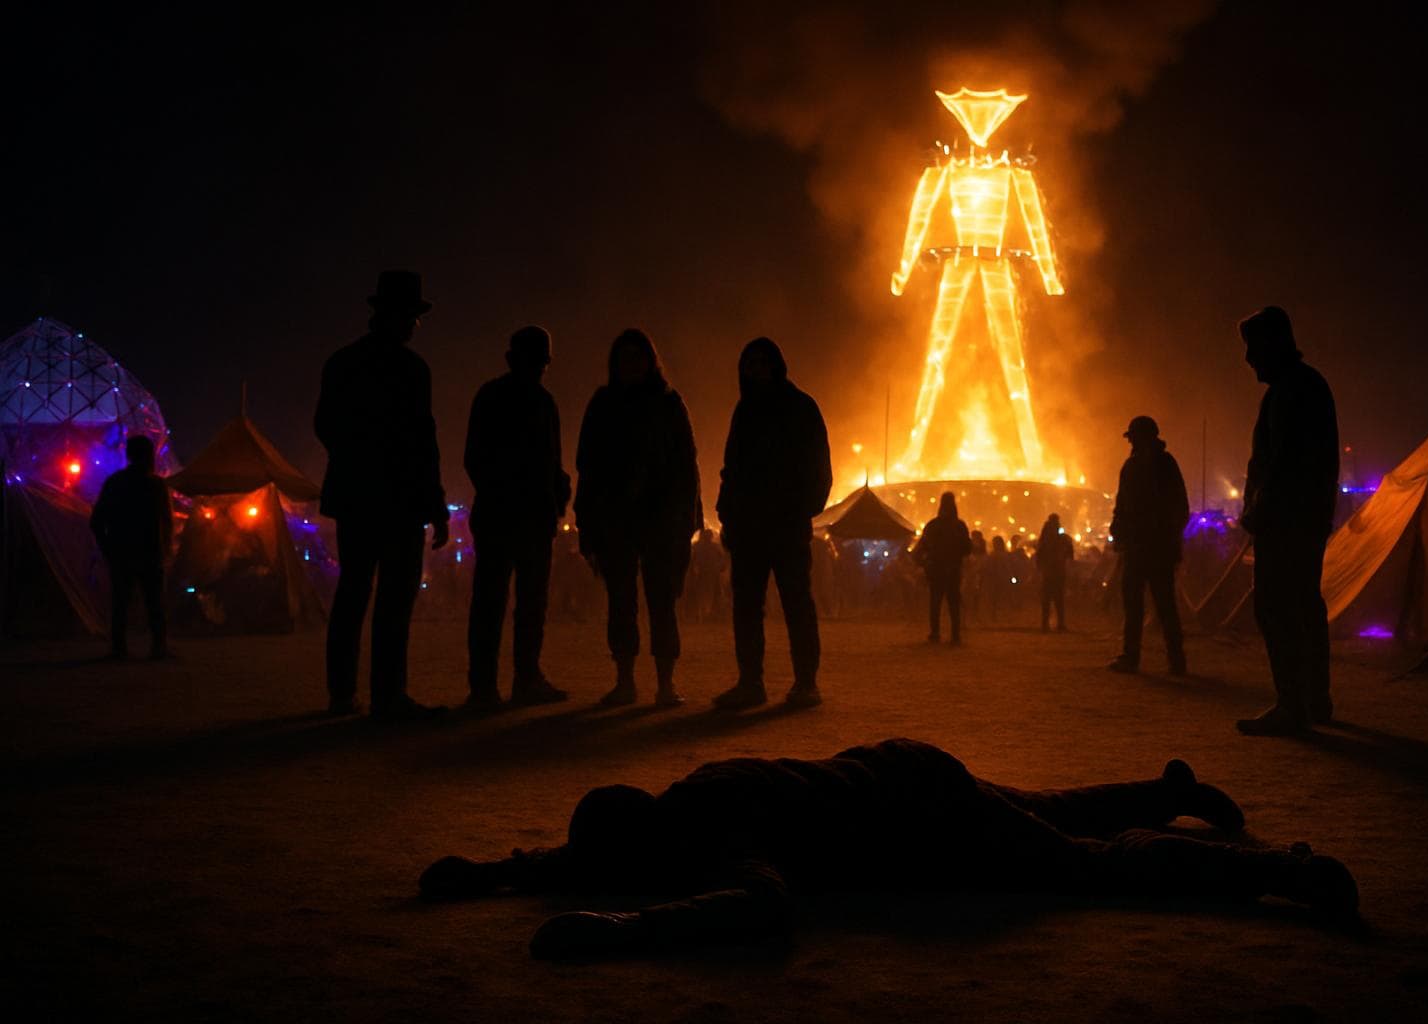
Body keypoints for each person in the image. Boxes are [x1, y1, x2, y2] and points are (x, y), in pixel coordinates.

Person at [417, 738, 1358, 959]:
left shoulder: (715, 835)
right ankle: (1170, 791)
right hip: (900, 768)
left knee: (1087, 863)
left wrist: (628, 930)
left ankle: (1279, 871)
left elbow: (763, 904)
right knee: (1050, 809)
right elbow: (593, 855)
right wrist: (498, 873)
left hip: (923, 821)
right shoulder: (693, 793)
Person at [314, 270, 450, 721]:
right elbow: (424, 442)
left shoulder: (343, 362)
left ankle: (342, 693)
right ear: (402, 316)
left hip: (357, 497)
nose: (415, 325)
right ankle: (388, 695)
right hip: (401, 501)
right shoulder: (413, 370)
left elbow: (325, 426)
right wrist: (434, 504)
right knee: (394, 600)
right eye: (412, 316)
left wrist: (357, 460)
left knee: (353, 593)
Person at [575, 329, 702, 708]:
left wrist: (686, 517)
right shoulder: (603, 405)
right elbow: (588, 466)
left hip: (661, 521)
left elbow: (686, 464)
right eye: (624, 357)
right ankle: (625, 681)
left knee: (662, 602)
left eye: (637, 357)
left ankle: (665, 684)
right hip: (616, 520)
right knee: (621, 602)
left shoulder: (668, 403)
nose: (631, 364)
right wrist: (588, 523)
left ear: (650, 361)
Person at [713, 337, 832, 710]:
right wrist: (727, 514)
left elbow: (819, 466)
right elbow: (732, 467)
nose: (757, 369)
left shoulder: (800, 407)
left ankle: (806, 683)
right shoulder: (745, 410)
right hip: (749, 527)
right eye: (751, 364)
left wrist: (803, 508)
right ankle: (750, 683)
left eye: (763, 362)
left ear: (776, 365)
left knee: (796, 604)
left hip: (786, 525)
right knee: (747, 608)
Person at [1236, 307, 1339, 736]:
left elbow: (1281, 464)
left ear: (1271, 345)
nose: (1248, 359)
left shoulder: (1290, 392)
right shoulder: (1304, 386)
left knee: (1277, 607)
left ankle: (1292, 705)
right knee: (1304, 604)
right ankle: (1314, 699)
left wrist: (1259, 511)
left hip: (1286, 521)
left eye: (1252, 348)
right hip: (1303, 518)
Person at [463, 325, 572, 710]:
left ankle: (509, 682)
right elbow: (476, 458)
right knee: (498, 603)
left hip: (526, 517)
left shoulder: (538, 401)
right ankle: (493, 685)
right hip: (508, 515)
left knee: (520, 603)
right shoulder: (506, 398)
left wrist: (557, 491)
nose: (539, 369)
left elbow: (551, 460)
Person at [1107, 416, 1189, 675]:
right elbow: (1122, 505)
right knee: (1143, 603)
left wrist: (1167, 537)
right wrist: (1119, 530)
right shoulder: (1134, 466)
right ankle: (1147, 658)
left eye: (1133, 436)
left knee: (1161, 604)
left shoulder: (1162, 465)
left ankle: (1168, 659)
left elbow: (1178, 507)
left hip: (1153, 547)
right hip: (1141, 547)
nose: (1130, 441)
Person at [90, 435, 173, 658]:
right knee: (154, 602)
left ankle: (119, 648)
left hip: (122, 553)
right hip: (150, 554)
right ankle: (158, 647)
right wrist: (166, 549)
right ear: (149, 456)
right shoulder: (156, 485)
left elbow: (96, 520)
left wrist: (108, 549)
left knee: (121, 602)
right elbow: (167, 521)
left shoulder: (115, 483)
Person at [913, 491, 971, 644]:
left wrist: (924, 563)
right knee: (953, 603)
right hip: (953, 569)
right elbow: (967, 548)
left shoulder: (933, 525)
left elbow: (922, 547)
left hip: (936, 569)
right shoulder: (959, 526)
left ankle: (935, 633)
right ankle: (955, 635)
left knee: (935, 602)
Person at [1035, 513, 1074, 632]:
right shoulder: (1062, 539)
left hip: (1049, 572)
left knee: (1048, 599)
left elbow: (1039, 557)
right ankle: (1058, 624)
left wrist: (1040, 569)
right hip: (1057, 571)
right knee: (1058, 599)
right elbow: (1070, 555)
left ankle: (1046, 624)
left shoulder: (1045, 539)